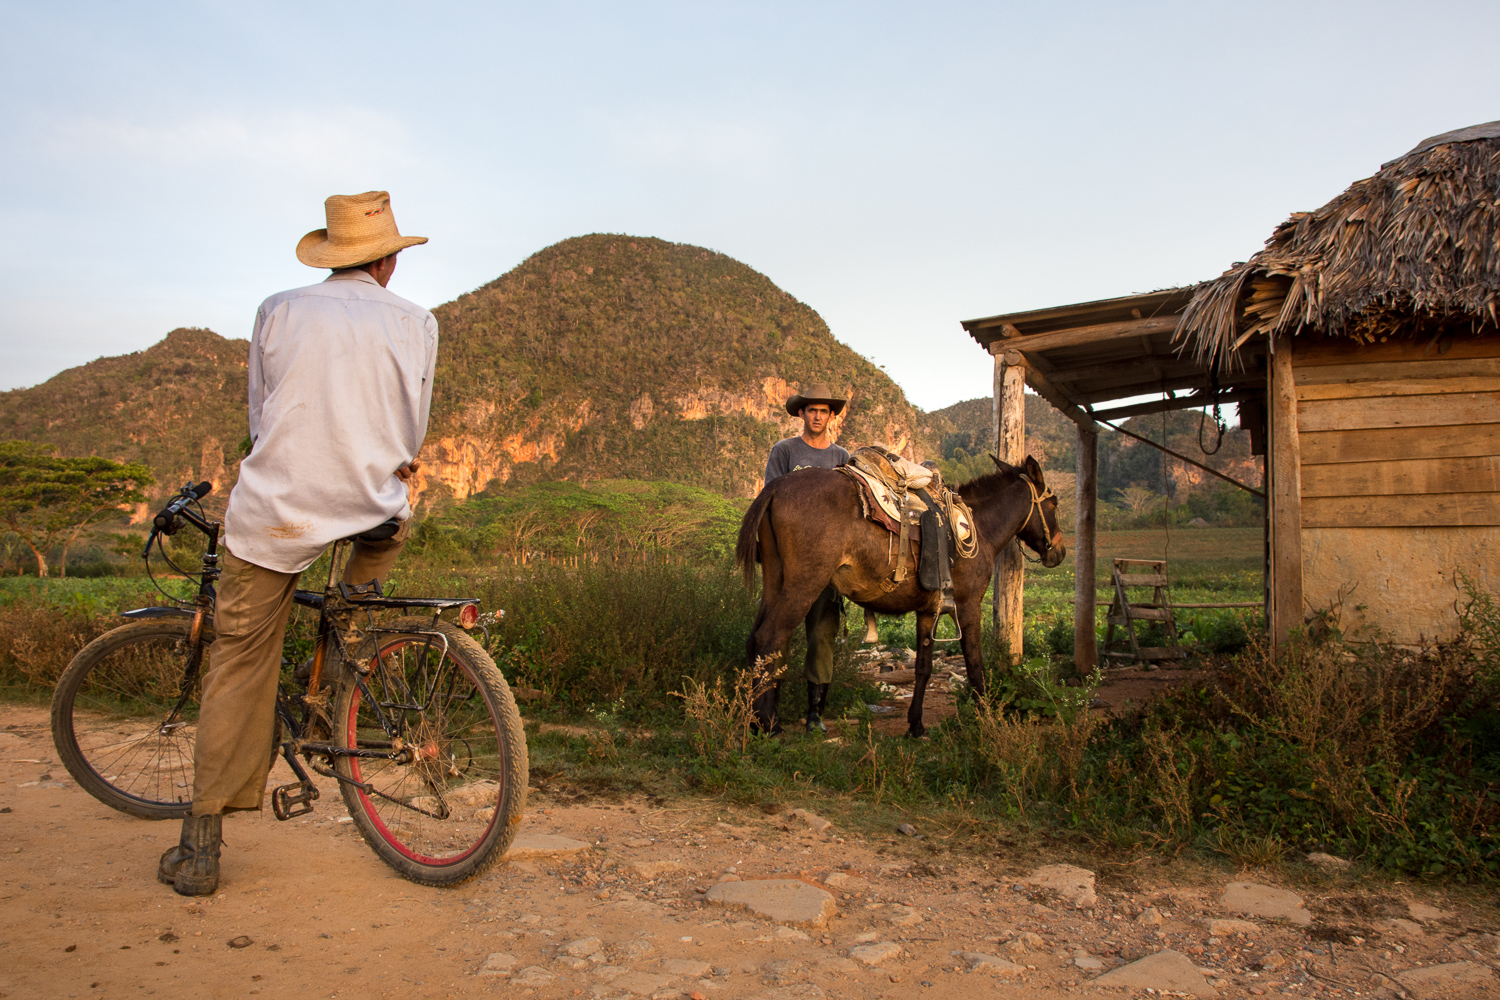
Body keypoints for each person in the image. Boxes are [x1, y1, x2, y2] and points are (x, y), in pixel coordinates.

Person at [157, 191, 437, 896]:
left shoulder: (278, 310)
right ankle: (350, 660)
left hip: (277, 510)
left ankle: (200, 847)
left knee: (240, 661)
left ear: (334, 254)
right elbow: (412, 426)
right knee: (364, 575)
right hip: (373, 506)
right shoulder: (417, 322)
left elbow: (260, 414)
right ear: (387, 259)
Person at [762, 381, 850, 733]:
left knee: (822, 634)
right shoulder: (785, 451)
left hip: (828, 567)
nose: (817, 416)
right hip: (788, 561)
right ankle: (770, 709)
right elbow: (769, 501)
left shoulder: (841, 458)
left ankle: (815, 714)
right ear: (802, 413)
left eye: (823, 411)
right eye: (811, 410)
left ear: (831, 417)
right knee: (779, 631)